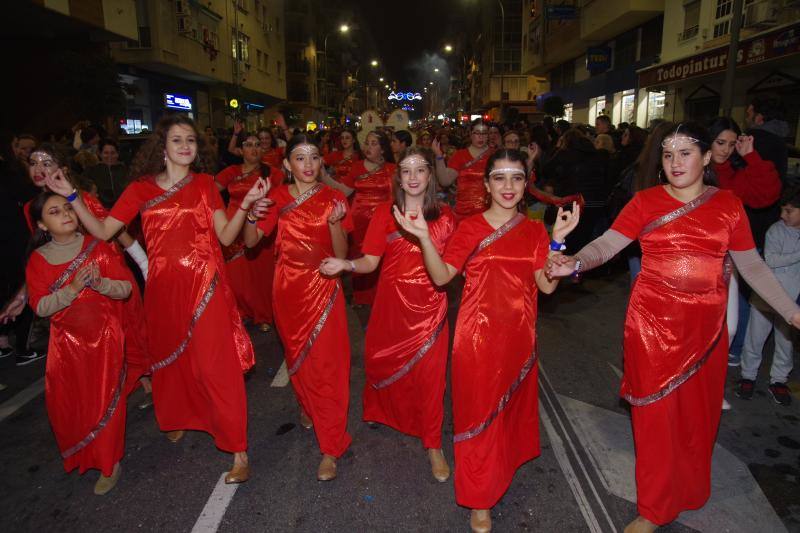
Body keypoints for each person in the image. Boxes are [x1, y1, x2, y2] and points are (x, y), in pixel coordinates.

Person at [547, 123, 800, 533]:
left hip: (707, 331)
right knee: (654, 423)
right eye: (668, 155)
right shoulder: (645, 202)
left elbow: (751, 265)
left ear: (706, 158)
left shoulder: (728, 205)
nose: (676, 162)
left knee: (697, 419)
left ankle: (689, 488)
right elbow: (608, 244)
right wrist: (575, 261)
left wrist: (792, 313)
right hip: (651, 328)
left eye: (685, 153)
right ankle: (654, 507)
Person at [45, 114, 265, 484]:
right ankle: (180, 417)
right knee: (170, 361)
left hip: (206, 287)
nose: (185, 146)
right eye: (177, 140)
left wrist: (245, 206)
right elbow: (101, 230)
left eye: (191, 141)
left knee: (217, 367)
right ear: (162, 148)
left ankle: (238, 448)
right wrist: (71, 195)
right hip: (163, 291)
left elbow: (227, 238)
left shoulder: (207, 184)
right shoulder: (140, 189)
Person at [394, 149, 579, 533]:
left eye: (516, 177)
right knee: (477, 417)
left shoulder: (533, 230)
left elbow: (545, 286)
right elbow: (443, 276)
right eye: (500, 177)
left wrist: (558, 242)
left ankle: (499, 474)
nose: (508, 186)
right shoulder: (471, 227)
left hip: (519, 338)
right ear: (487, 184)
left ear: (525, 183)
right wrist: (425, 239)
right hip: (476, 338)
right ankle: (479, 498)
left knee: (507, 414)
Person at [319, 147, 455, 482]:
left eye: (420, 170)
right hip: (391, 306)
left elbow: (451, 268)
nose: (412, 177)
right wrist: (347, 264)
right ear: (398, 177)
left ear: (430, 175)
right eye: (406, 170)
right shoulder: (385, 213)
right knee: (381, 362)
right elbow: (370, 262)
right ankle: (385, 413)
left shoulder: (447, 216)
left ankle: (433, 443)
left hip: (430, 307)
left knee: (431, 377)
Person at [243, 134, 353, 481]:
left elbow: (341, 255)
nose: (308, 165)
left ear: (322, 163)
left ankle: (331, 446)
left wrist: (334, 223)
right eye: (300, 158)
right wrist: (250, 213)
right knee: (297, 358)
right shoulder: (275, 198)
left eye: (315, 157)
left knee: (330, 366)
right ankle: (309, 406)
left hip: (324, 288)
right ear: (287, 165)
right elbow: (250, 242)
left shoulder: (334, 198)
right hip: (287, 290)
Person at [26, 191, 134, 495]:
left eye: (68, 208)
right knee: (75, 404)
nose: (65, 215)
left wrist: (100, 284)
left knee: (106, 401)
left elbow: (125, 288)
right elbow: (41, 307)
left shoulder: (96, 247)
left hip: (105, 337)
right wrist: (72, 289)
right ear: (42, 225)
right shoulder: (38, 260)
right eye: (54, 212)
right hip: (67, 345)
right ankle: (89, 453)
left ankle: (109, 462)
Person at [707, 117, 783, 368]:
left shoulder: (736, 173)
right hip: (694, 259)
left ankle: (710, 383)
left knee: (728, 328)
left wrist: (751, 156)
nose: (725, 149)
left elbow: (767, 196)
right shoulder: (693, 167)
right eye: (720, 142)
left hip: (728, 260)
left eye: (731, 143)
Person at [737, 187, 800, 406]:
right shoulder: (775, 231)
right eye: (783, 210)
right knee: (755, 337)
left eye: (790, 211)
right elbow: (772, 260)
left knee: (786, 342)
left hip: (791, 302)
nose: (783, 215)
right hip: (765, 297)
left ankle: (779, 379)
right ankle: (748, 375)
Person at [216, 132, 284, 331]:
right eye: (248, 144)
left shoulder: (273, 173)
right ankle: (241, 312)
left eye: (257, 145)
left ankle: (263, 315)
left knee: (260, 275)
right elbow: (209, 192)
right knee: (235, 276)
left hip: (260, 225)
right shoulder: (231, 171)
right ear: (240, 149)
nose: (253, 148)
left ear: (263, 149)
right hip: (233, 225)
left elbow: (281, 199)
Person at [324, 131, 396, 307]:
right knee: (359, 256)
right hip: (359, 219)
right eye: (367, 143)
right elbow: (345, 191)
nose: (368, 147)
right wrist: (323, 176)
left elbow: (396, 197)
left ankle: (382, 295)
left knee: (382, 257)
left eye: (373, 143)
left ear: (383, 148)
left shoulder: (392, 169)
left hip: (383, 221)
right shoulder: (357, 167)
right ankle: (361, 298)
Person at [434, 119, 495, 223]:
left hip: (489, 213)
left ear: (488, 135)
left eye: (484, 133)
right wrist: (439, 156)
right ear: (470, 134)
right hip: (463, 214)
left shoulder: (495, 155)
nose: (481, 137)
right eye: (477, 133)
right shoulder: (460, 155)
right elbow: (445, 181)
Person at [83, 139, 129, 208]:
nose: (109, 156)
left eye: (113, 153)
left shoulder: (126, 170)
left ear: (117, 154)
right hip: (100, 210)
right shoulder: (91, 171)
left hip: (124, 208)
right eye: (106, 153)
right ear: (100, 154)